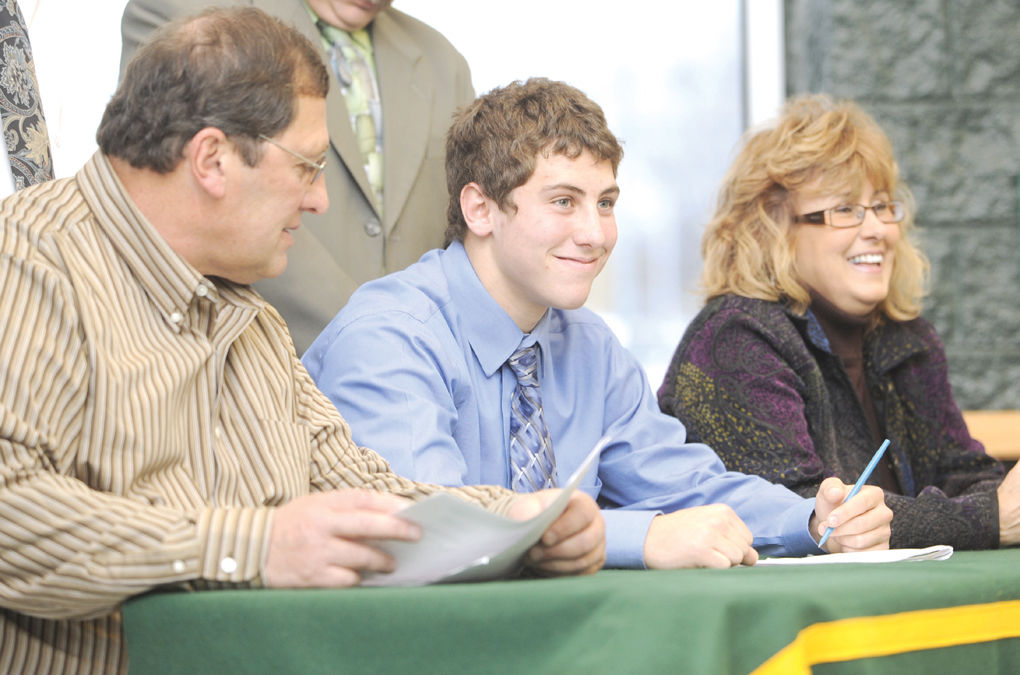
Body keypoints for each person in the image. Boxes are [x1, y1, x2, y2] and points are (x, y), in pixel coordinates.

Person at [0, 12, 603, 673]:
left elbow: (355, 479)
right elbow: (10, 512)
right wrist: (254, 546)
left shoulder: (248, 315)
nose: (319, 200)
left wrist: (515, 521)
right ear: (212, 159)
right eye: (309, 166)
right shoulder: (31, 261)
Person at [304, 78, 893, 570]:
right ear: (479, 208)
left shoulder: (587, 343)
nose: (596, 234)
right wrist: (641, 539)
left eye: (606, 203)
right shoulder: (389, 335)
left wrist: (814, 520)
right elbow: (430, 526)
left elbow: (684, 484)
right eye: (564, 201)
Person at [657, 93, 1020, 550]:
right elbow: (804, 515)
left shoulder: (907, 341)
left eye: (883, 206)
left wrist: (994, 506)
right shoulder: (735, 337)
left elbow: (966, 476)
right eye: (845, 209)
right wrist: (984, 518)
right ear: (774, 230)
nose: (877, 229)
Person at [121, 0, 475, 353]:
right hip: (242, 357)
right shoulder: (188, 16)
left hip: (418, 372)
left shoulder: (444, 62)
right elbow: (167, 197)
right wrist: (370, 338)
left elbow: (463, 233)